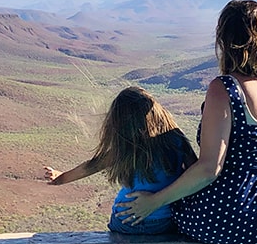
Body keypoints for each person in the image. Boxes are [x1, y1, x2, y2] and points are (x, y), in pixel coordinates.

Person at [116, 0, 257, 244]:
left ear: (227, 40)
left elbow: (209, 169)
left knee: (165, 211)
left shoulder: (226, 89)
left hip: (232, 213)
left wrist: (154, 201)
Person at [44, 86, 197, 234]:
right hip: (165, 221)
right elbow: (195, 171)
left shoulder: (125, 149)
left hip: (126, 221)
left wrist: (60, 177)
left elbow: (90, 167)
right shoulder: (177, 140)